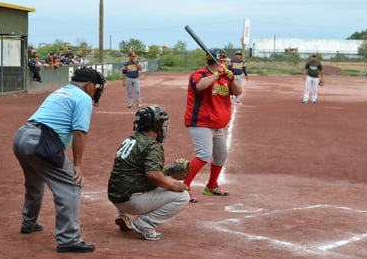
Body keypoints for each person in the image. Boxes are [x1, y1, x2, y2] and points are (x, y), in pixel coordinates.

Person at [13, 67, 105, 253]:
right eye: (95, 87)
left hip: (22, 136)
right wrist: (77, 165)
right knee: (71, 184)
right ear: (88, 85)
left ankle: (28, 223)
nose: (96, 91)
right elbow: (79, 132)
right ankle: (69, 239)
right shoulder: (83, 97)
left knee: (34, 183)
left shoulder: (62, 91)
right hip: (41, 141)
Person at [107, 105, 189, 241]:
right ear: (154, 125)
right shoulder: (152, 145)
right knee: (182, 196)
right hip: (131, 200)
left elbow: (136, 170)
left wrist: (166, 171)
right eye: (162, 124)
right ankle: (144, 224)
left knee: (133, 179)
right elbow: (152, 175)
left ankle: (122, 215)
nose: (164, 127)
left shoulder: (130, 139)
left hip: (115, 196)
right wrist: (172, 185)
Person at [183, 48, 242, 203]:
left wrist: (232, 79)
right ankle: (184, 188)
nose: (225, 63)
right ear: (216, 61)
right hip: (200, 122)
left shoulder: (225, 77)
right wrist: (216, 74)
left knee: (221, 155)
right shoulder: (200, 74)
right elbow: (199, 86)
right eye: (223, 61)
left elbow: (238, 92)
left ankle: (211, 185)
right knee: (203, 154)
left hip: (216, 125)